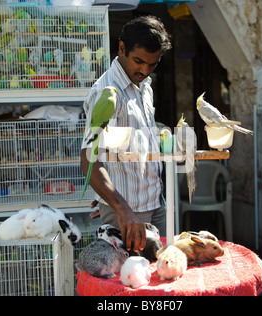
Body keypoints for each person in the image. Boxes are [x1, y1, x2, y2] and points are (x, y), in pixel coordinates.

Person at [80, 15, 172, 252]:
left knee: (161, 277)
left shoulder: (144, 85)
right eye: (139, 61)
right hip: (129, 214)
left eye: (153, 64)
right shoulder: (106, 92)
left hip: (155, 201)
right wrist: (119, 207)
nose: (144, 70)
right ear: (121, 48)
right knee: (132, 283)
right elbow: (89, 158)